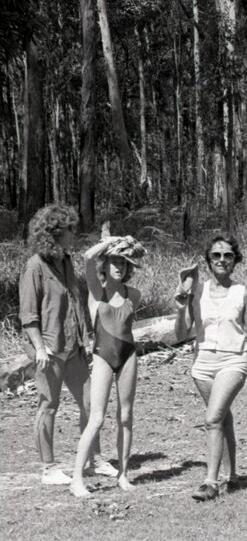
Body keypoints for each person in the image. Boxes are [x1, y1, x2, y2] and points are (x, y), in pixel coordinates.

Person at [19, 204, 112, 485]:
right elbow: (28, 314)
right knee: (48, 405)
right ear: (56, 232)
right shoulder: (35, 265)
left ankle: (93, 460)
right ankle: (48, 468)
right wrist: (38, 348)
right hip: (48, 348)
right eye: (71, 229)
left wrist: (85, 338)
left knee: (90, 404)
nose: (75, 233)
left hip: (74, 347)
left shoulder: (67, 261)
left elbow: (75, 301)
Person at [175, 235, 247, 501]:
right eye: (216, 255)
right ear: (208, 261)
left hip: (233, 361)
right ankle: (233, 475)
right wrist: (181, 307)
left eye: (227, 255)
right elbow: (181, 333)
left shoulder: (242, 293)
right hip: (202, 363)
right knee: (223, 418)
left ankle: (210, 483)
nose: (222, 260)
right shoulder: (197, 292)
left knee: (212, 418)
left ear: (236, 260)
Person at [69, 236, 146, 497]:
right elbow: (88, 257)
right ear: (107, 265)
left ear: (129, 268)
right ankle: (77, 479)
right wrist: (112, 241)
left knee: (126, 416)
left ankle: (123, 474)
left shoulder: (132, 294)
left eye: (123, 264)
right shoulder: (96, 290)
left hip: (127, 355)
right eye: (114, 262)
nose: (119, 267)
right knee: (97, 417)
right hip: (102, 354)